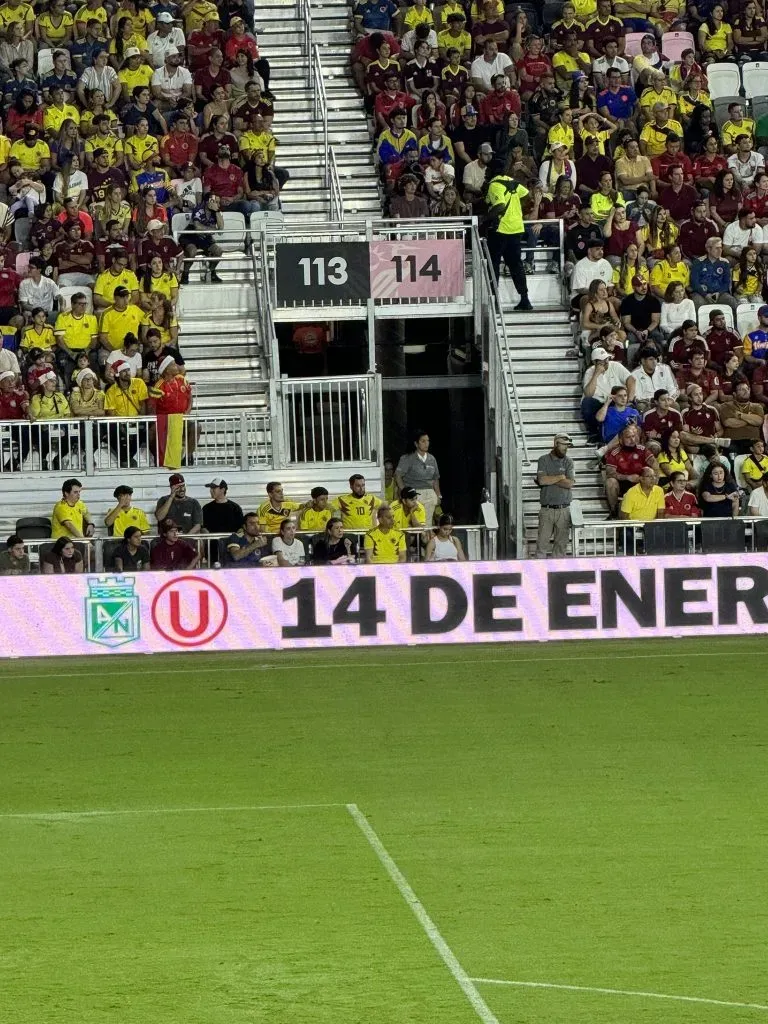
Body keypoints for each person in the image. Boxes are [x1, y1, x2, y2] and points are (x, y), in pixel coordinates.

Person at [485, 162, 531, 309]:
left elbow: (500, 205)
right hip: (516, 228)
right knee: (516, 265)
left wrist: (485, 218)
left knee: (494, 265)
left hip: (501, 229)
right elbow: (527, 195)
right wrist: (517, 209)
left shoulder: (494, 184)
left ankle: (494, 301)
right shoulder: (512, 182)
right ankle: (525, 299)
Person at [604, 424, 659, 517]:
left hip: (640, 481)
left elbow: (655, 464)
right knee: (610, 482)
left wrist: (655, 479)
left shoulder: (642, 450)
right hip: (623, 483)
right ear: (620, 440)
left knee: (651, 477)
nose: (632, 440)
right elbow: (610, 473)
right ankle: (614, 512)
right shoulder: (614, 453)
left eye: (633, 436)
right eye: (628, 437)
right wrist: (627, 477)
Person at [581, 346, 634, 443]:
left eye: (606, 359)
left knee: (621, 401)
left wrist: (630, 399)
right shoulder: (589, 372)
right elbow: (588, 394)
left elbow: (631, 379)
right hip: (598, 403)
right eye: (601, 361)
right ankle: (594, 432)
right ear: (594, 362)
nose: (606, 363)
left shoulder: (616, 366)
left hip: (614, 400)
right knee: (587, 402)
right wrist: (596, 374)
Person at [536, 431, 574, 558]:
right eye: (563, 445)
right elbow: (542, 480)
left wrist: (550, 479)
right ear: (555, 443)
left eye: (567, 445)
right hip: (547, 510)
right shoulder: (543, 460)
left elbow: (569, 483)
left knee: (561, 548)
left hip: (564, 509)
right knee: (541, 546)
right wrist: (560, 477)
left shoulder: (569, 462)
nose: (566, 448)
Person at [394, 431, 441, 526]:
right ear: (416, 444)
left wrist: (438, 495)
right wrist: (405, 492)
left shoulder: (432, 459)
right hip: (414, 494)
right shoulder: (407, 458)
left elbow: (435, 478)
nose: (426, 443)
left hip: (429, 494)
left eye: (428, 441)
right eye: (423, 441)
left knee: (427, 524)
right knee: (414, 523)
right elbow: (398, 476)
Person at [719, 380, 765, 454]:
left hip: (753, 441)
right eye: (742, 389)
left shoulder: (757, 406)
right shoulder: (726, 406)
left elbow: (759, 421)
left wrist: (740, 415)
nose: (746, 391)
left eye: (747, 388)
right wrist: (750, 420)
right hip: (733, 441)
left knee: (758, 448)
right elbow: (728, 423)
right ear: (734, 394)